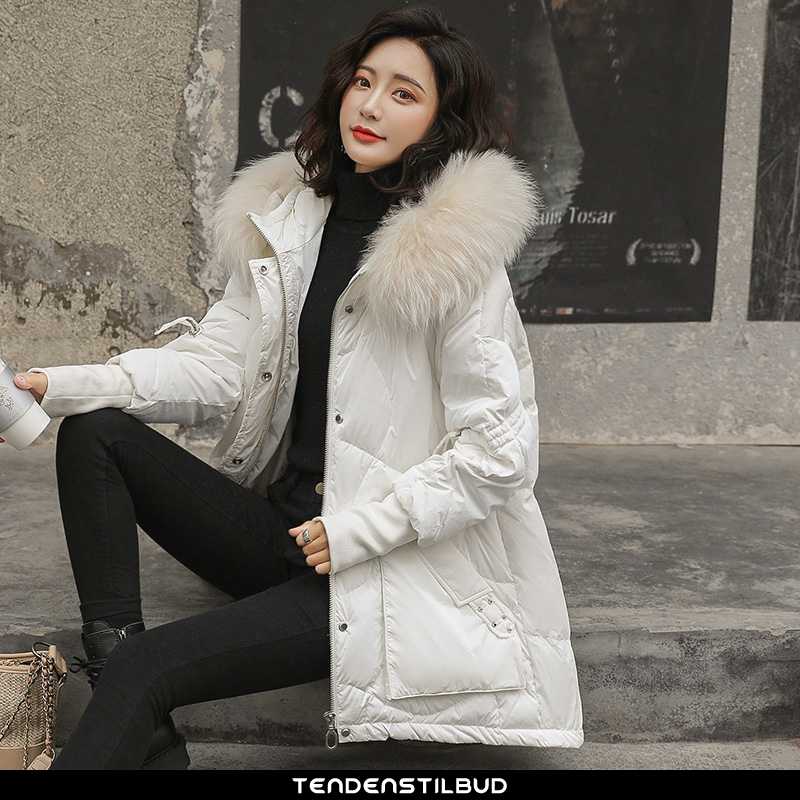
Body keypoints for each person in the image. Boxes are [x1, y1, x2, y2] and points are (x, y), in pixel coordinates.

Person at [4, 5, 583, 769]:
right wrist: (56, 384)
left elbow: (499, 456)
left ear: (440, 124)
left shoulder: (453, 261)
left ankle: (127, 699)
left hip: (372, 570)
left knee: (149, 667)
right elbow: (218, 365)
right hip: (282, 532)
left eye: (404, 94)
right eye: (364, 82)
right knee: (95, 432)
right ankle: (124, 698)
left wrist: (357, 532)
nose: (372, 106)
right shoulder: (295, 223)